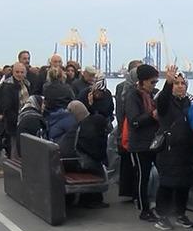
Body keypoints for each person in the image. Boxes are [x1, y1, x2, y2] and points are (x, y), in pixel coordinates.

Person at [154, 67, 193, 229]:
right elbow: (161, 102)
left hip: (187, 149)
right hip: (169, 149)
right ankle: (162, 215)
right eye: (176, 83)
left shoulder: (189, 102)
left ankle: (180, 213)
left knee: (184, 183)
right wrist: (167, 83)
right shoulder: (166, 102)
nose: (180, 86)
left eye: (182, 83)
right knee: (167, 183)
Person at [124, 64, 162, 221]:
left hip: (153, 141)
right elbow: (134, 121)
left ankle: (157, 205)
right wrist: (151, 116)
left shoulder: (153, 95)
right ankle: (144, 208)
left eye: (156, 82)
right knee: (143, 176)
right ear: (143, 81)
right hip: (139, 143)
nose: (154, 86)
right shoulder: (133, 96)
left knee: (158, 174)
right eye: (152, 82)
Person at [58, 100, 109, 209]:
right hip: (72, 161)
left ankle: (79, 199)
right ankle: (92, 200)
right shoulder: (89, 126)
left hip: (62, 160)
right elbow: (92, 150)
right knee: (96, 166)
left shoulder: (76, 126)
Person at [115, 60, 142, 201]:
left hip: (126, 127)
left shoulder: (122, 87)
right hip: (128, 127)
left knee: (128, 161)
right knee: (129, 160)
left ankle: (128, 190)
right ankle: (131, 191)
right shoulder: (126, 89)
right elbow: (120, 110)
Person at [0, 62, 31, 157]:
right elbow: (6, 106)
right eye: (17, 72)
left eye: (22, 72)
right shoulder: (7, 86)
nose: (19, 74)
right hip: (13, 121)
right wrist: (15, 119)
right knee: (15, 148)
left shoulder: (27, 84)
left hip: (26, 119)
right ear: (13, 72)